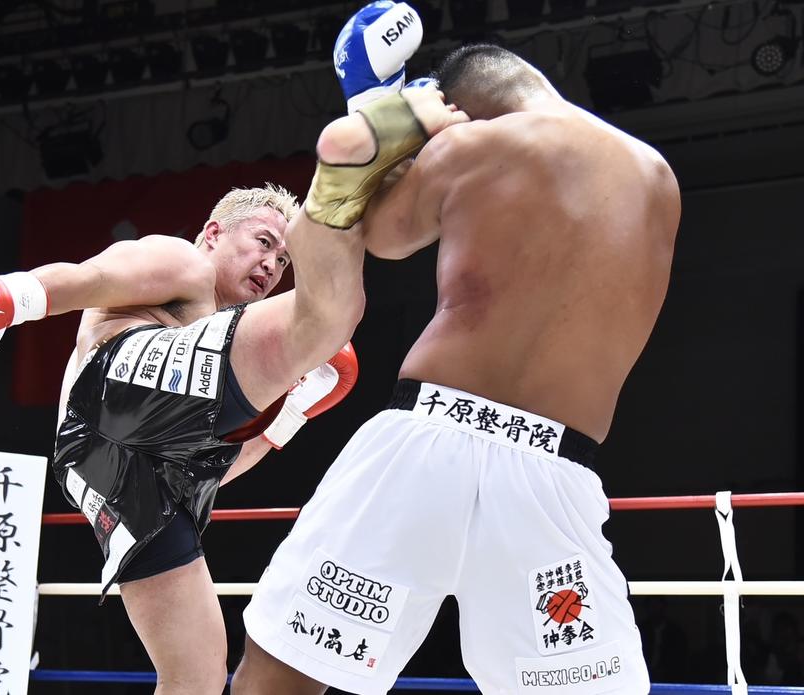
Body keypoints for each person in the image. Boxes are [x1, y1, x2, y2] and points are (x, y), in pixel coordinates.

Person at [0, 80, 467, 693]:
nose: (271, 265)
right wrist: (7, 299)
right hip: (109, 398)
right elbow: (97, 274)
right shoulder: (185, 264)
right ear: (215, 232)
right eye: (264, 243)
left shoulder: (228, 361)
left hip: (120, 472)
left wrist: (291, 415)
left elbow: (214, 468)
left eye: (283, 260)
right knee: (320, 314)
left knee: (198, 674)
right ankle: (367, 127)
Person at [231, 21, 681, 695]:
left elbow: (384, 235)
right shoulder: (657, 177)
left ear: (458, 108)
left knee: (281, 672)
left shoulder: (472, 142)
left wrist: (384, 119)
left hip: (428, 441)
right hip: (554, 470)